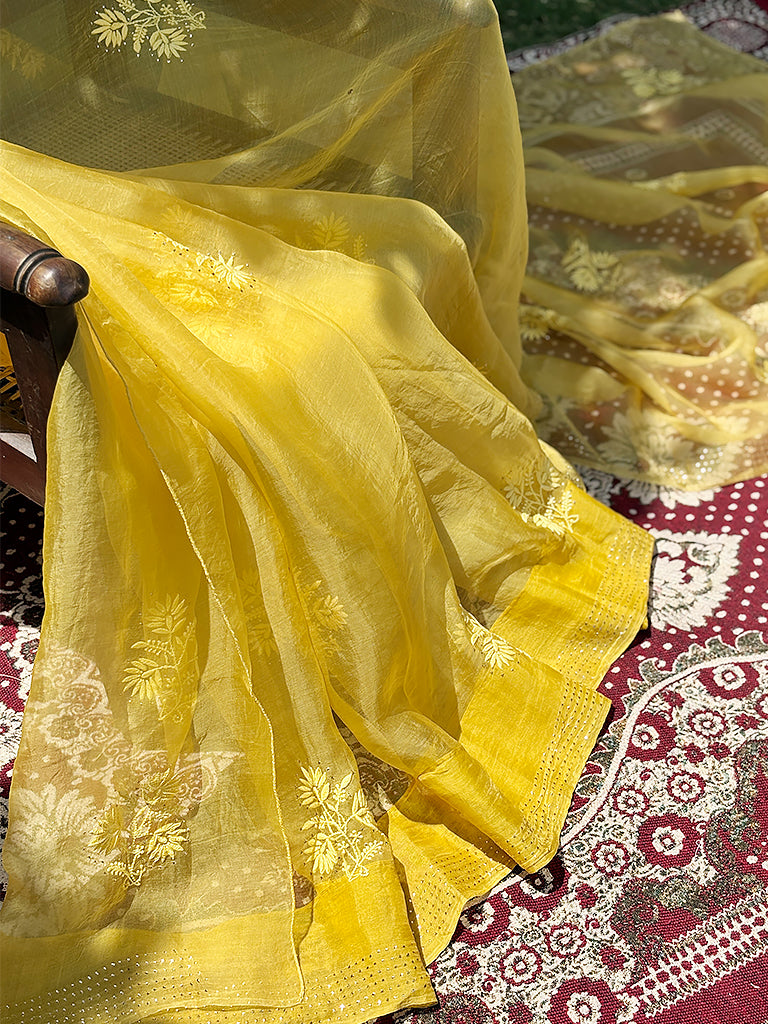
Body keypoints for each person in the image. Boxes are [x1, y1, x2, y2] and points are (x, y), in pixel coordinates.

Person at [0, 2, 764, 1022]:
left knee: (407, 206)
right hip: (38, 219)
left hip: (49, 144)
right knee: (310, 357)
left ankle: (414, 535)